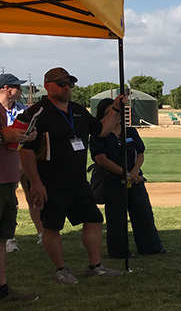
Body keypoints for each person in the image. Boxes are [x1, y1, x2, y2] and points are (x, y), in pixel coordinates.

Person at [19, 67, 125, 284]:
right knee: (52, 226)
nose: (67, 87)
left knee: (94, 219)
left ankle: (95, 266)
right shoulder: (36, 113)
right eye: (61, 83)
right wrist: (36, 183)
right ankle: (61, 270)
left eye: (70, 84)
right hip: (50, 182)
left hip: (78, 181)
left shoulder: (78, 110)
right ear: (47, 86)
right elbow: (26, 151)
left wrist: (115, 108)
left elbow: (101, 130)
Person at [90, 98, 167, 259]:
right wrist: (123, 173)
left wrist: (135, 172)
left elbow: (140, 152)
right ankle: (119, 251)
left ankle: (151, 247)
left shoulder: (130, 132)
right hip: (112, 181)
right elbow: (101, 159)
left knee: (143, 214)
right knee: (116, 217)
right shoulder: (99, 135)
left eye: (118, 112)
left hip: (135, 179)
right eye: (110, 113)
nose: (116, 116)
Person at [0, 93, 39, 302]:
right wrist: (4, 136)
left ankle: (2, 289)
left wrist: (23, 136)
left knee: (2, 237)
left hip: (7, 179)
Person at [0, 73, 42, 252]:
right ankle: (9, 238)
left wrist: (33, 134)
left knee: (33, 196)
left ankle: (42, 234)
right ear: (6, 89)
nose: (21, 90)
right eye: (17, 86)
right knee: (9, 197)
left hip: (23, 156)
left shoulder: (24, 110)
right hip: (5, 162)